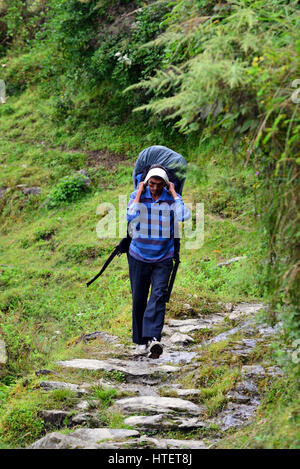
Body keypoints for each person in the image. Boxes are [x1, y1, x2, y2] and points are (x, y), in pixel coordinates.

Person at [126, 164, 190, 358]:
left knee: (158, 295)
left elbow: (184, 216)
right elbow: (130, 215)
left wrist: (173, 193)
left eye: (159, 184)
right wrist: (139, 192)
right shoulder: (137, 196)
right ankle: (140, 342)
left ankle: (154, 338)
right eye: (151, 184)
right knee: (139, 298)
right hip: (138, 256)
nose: (154, 188)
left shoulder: (171, 199)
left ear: (165, 184)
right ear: (146, 183)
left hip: (163, 257)